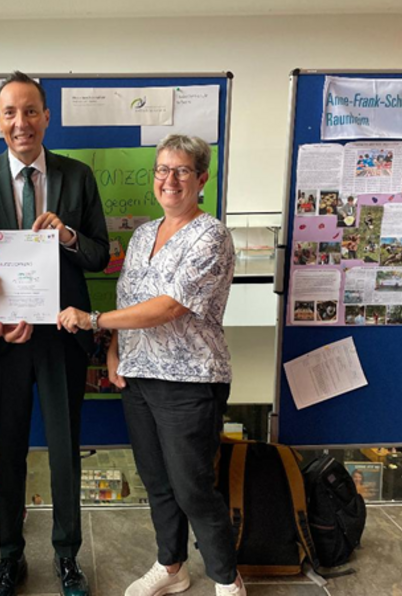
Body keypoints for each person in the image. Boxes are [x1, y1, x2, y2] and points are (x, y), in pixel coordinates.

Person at [58, 134, 245, 596]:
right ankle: (172, 566)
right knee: (157, 481)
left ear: (201, 179)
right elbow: (130, 300)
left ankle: (227, 579)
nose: (170, 179)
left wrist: (93, 320)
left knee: (193, 486)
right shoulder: (143, 235)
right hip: (138, 376)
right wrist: (113, 348)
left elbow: (169, 307)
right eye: (163, 169)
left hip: (188, 379)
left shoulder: (211, 235)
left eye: (182, 170)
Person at [0, 71, 109, 596]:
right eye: (10, 113)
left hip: (63, 334)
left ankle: (67, 556)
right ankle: (9, 556)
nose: (21, 122)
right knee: (8, 447)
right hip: (4, 338)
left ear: (47, 116)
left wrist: (67, 235)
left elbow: (99, 255)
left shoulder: (77, 176)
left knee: (65, 449)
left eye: (31, 111)